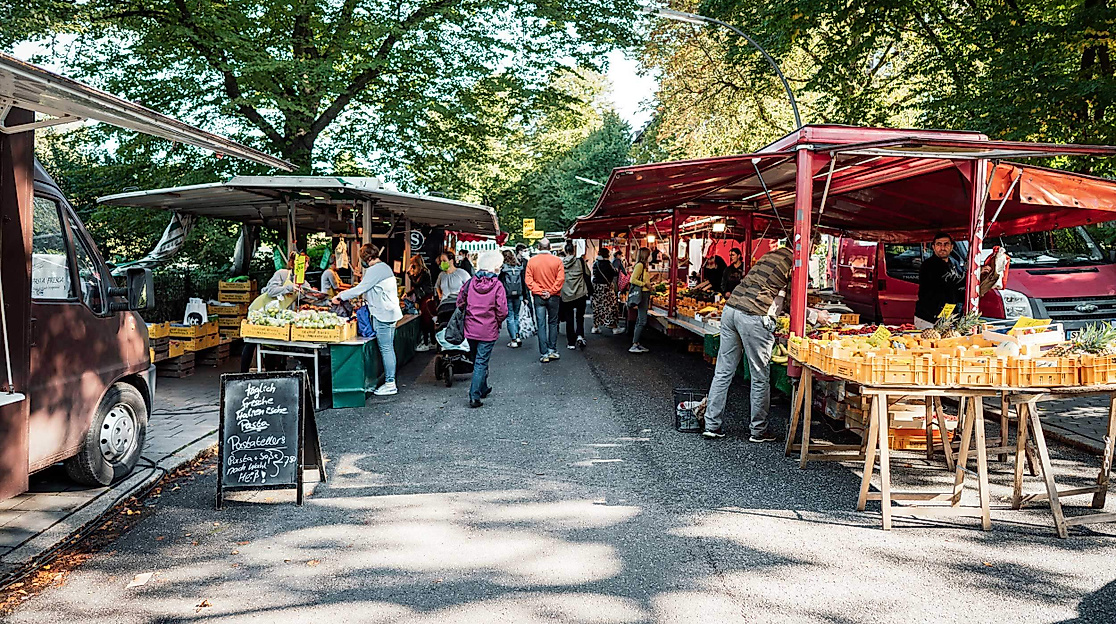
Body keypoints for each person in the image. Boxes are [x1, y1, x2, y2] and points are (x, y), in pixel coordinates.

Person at [702, 236, 815, 442]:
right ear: (810, 244)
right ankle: (758, 430)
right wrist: (816, 316)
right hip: (754, 316)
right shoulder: (796, 262)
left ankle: (711, 425)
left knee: (723, 372)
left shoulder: (770, 255)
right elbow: (794, 303)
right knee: (760, 376)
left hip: (731, 309)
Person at [333, 243, 403, 396]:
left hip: (383, 314)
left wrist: (340, 296)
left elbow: (361, 288)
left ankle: (390, 383)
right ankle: (389, 380)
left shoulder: (375, 270)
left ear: (367, 258)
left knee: (386, 349)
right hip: (390, 312)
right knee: (388, 348)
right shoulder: (384, 267)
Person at [458, 251, 508, 408]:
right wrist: (496, 321)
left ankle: (483, 387)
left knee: (477, 360)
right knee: (481, 361)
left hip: (470, 328)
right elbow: (503, 310)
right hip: (488, 329)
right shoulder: (497, 285)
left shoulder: (470, 283)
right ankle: (474, 395)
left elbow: (460, 302)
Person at [240, 251, 305, 373]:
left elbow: (308, 295)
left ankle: (270, 373)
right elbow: (271, 291)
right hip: (260, 310)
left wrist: (322, 299)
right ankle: (242, 373)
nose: (306, 267)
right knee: (251, 341)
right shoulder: (282, 274)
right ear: (296, 264)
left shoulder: (302, 281)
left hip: (275, 315)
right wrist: (288, 288)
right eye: (304, 264)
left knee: (271, 343)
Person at [914, 232, 966, 329]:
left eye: (946, 244)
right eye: (939, 244)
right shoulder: (929, 265)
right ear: (933, 247)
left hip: (948, 318)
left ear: (951, 247)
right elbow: (950, 281)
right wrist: (971, 275)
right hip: (928, 319)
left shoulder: (954, 263)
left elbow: (959, 287)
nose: (942, 248)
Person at [525, 238, 565, 363]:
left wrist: (539, 291)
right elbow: (560, 279)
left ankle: (544, 353)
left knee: (541, 324)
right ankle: (552, 349)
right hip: (554, 296)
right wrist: (551, 291)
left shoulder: (532, 261)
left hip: (538, 297)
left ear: (538, 247)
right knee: (553, 322)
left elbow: (528, 280)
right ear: (550, 247)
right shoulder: (557, 261)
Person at [560, 241, 590, 350]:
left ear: (565, 251)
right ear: (574, 251)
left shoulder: (561, 263)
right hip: (580, 293)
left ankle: (571, 342)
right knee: (580, 317)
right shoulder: (580, 261)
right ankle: (580, 335)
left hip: (566, 294)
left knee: (569, 318)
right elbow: (588, 274)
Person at [405, 256, 436, 351]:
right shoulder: (422, 273)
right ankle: (431, 341)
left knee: (426, 320)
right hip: (424, 297)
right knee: (427, 320)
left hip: (426, 297)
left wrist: (409, 274)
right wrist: (408, 293)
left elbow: (417, 284)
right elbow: (416, 287)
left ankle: (426, 342)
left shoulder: (424, 273)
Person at [499, 249, 526, 348]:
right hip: (518, 294)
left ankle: (513, 339)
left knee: (510, 316)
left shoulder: (503, 269)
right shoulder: (519, 267)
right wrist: (525, 296)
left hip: (507, 295)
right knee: (516, 316)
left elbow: (499, 282)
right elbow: (523, 282)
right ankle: (517, 335)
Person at [435, 250, 471, 324]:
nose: (442, 263)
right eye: (441, 261)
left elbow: (470, 287)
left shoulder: (462, 273)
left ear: (451, 261)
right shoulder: (441, 275)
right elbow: (437, 286)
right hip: (444, 306)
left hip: (457, 306)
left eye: (444, 261)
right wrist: (440, 295)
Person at [629, 247, 652, 354]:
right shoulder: (640, 265)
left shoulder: (643, 266)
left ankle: (636, 343)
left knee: (640, 319)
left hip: (645, 293)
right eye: (649, 254)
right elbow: (632, 280)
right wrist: (644, 284)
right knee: (642, 320)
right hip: (642, 294)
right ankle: (634, 344)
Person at [591, 245, 618, 334]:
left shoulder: (595, 263)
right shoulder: (608, 264)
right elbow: (614, 273)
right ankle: (613, 327)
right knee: (611, 306)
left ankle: (595, 326)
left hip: (597, 288)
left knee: (597, 307)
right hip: (606, 288)